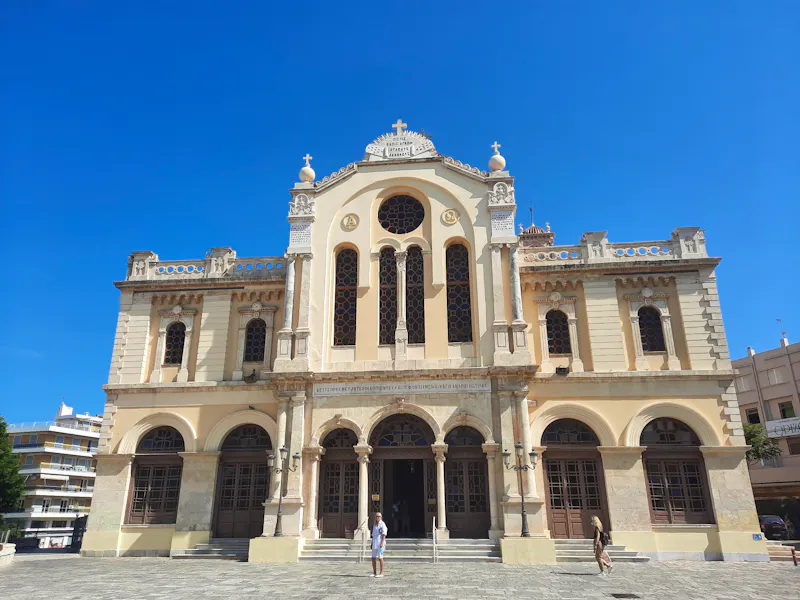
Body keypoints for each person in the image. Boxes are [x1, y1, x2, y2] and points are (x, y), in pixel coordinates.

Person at [371, 512, 388, 578]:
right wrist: (372, 543)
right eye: (376, 516)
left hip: (380, 543)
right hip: (374, 542)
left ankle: (381, 572)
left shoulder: (382, 524)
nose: (377, 517)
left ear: (381, 517)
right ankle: (374, 572)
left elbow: (384, 534)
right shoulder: (375, 524)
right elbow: (373, 535)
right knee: (373, 557)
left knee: (380, 557)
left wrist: (382, 543)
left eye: (378, 516)